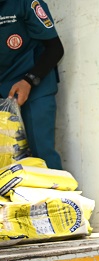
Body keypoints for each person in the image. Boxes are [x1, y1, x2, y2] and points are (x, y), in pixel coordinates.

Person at [0, 0, 64, 170]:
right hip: (3, 87)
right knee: (5, 156)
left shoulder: (25, 3)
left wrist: (29, 80)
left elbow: (55, 48)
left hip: (34, 83)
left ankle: (54, 187)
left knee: (42, 153)